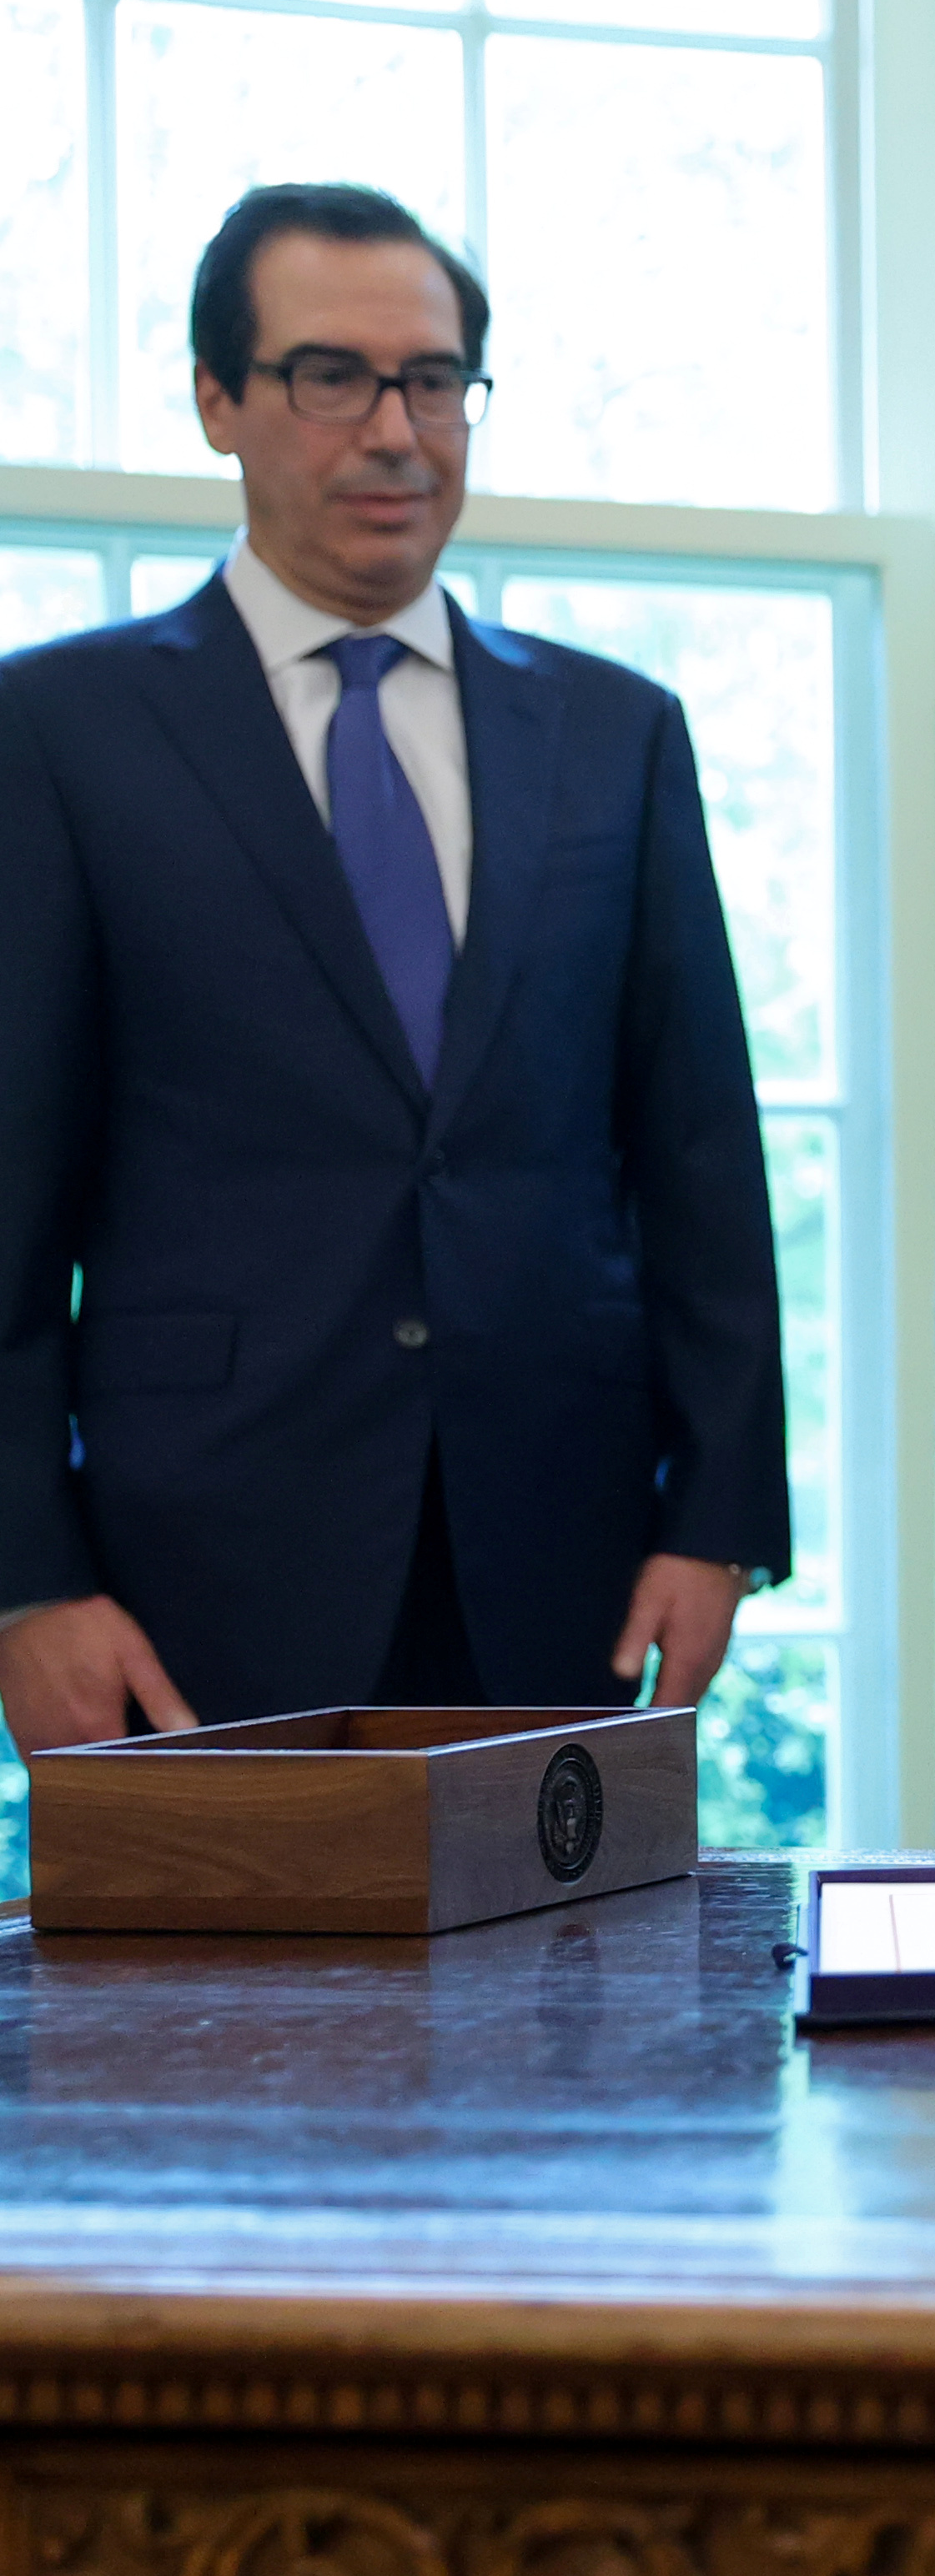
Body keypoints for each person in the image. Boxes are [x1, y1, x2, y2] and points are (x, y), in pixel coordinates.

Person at [0, 183, 785, 1749]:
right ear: (219, 400)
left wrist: (720, 1517)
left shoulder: (614, 735)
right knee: (207, 2001)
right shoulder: (59, 735)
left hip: (559, 1548)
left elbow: (698, 1154)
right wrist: (25, 1581)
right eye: (328, 375)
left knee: (567, 1992)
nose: (394, 430)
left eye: (433, 380)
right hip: (189, 1569)